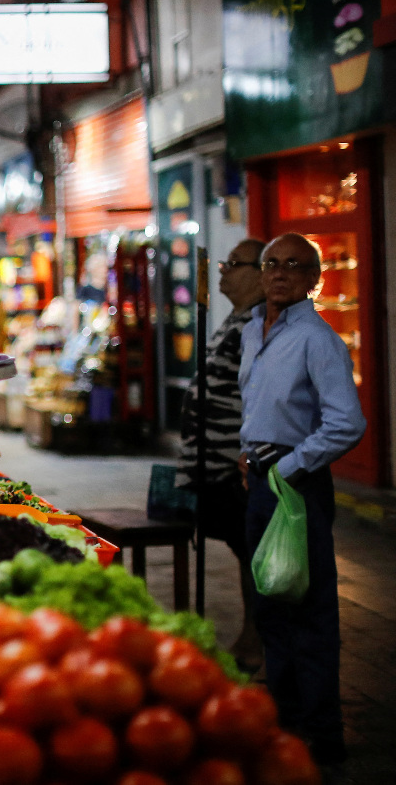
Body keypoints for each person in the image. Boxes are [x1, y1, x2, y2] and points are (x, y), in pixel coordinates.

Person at [238, 232, 365, 767]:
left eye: (294, 264)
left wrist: (286, 468)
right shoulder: (252, 331)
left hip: (296, 482)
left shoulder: (318, 340)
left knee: (309, 611)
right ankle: (284, 724)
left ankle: (321, 735)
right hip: (261, 479)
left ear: (314, 279)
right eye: (272, 263)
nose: (280, 272)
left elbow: (347, 423)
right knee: (269, 602)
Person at [176, 238, 266, 670]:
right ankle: (253, 635)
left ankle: (258, 639)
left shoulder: (262, 322)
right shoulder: (238, 318)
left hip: (236, 465)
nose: (224, 270)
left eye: (235, 264)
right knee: (242, 549)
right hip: (212, 464)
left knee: (253, 551)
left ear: (260, 273)